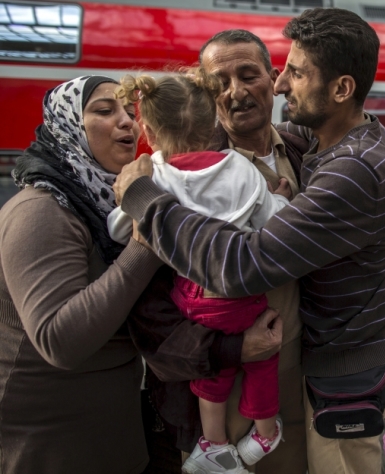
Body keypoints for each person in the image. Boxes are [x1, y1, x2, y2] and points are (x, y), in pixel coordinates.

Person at [115, 8, 385, 474]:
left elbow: (357, 175)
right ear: (204, 94)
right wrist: (229, 351)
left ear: (269, 79)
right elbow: (152, 315)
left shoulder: (298, 145)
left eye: (251, 75)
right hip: (230, 394)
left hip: (309, 381)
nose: (237, 92)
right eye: (219, 82)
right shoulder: (174, 183)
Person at [109, 71, 292, 473]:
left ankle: (213, 445)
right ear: (214, 124)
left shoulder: (154, 177)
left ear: (149, 131)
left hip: (193, 304)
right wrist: (280, 196)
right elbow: (273, 220)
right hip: (244, 301)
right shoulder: (241, 169)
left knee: (213, 373)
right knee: (262, 364)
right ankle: (264, 434)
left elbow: (120, 228)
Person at [0, 76, 163, 473]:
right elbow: (60, 340)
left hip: (103, 435)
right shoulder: (42, 210)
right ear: (66, 128)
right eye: (105, 111)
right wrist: (145, 247)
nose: (127, 122)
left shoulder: (105, 202)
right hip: (46, 441)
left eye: (130, 112)